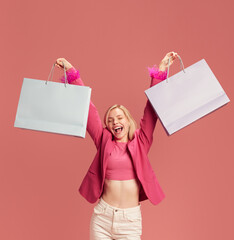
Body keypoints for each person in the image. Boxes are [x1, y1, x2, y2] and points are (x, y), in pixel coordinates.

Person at [56, 51, 178, 240]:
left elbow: (151, 110)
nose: (115, 122)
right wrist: (72, 73)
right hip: (102, 218)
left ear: (128, 121)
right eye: (110, 120)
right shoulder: (104, 139)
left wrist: (160, 73)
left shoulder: (141, 140)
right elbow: (88, 109)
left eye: (119, 118)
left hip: (129, 221)